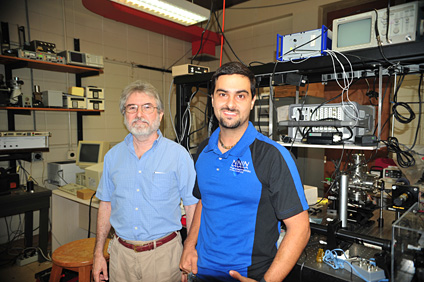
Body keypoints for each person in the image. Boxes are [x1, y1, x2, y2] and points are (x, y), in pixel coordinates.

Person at [180, 62, 310, 282]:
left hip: (248, 275)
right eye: (223, 94)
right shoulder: (203, 150)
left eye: (240, 96)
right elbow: (205, 201)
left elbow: (300, 229)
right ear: (212, 99)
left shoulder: (272, 156)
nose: (230, 104)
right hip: (200, 271)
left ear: (252, 101)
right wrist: (189, 246)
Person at [92, 80, 198, 282]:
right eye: (132, 108)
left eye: (147, 107)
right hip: (120, 257)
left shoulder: (179, 155)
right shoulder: (112, 157)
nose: (139, 114)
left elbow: (193, 207)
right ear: (124, 115)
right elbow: (105, 205)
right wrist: (98, 253)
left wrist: (190, 251)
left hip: (165, 257)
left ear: (160, 114)